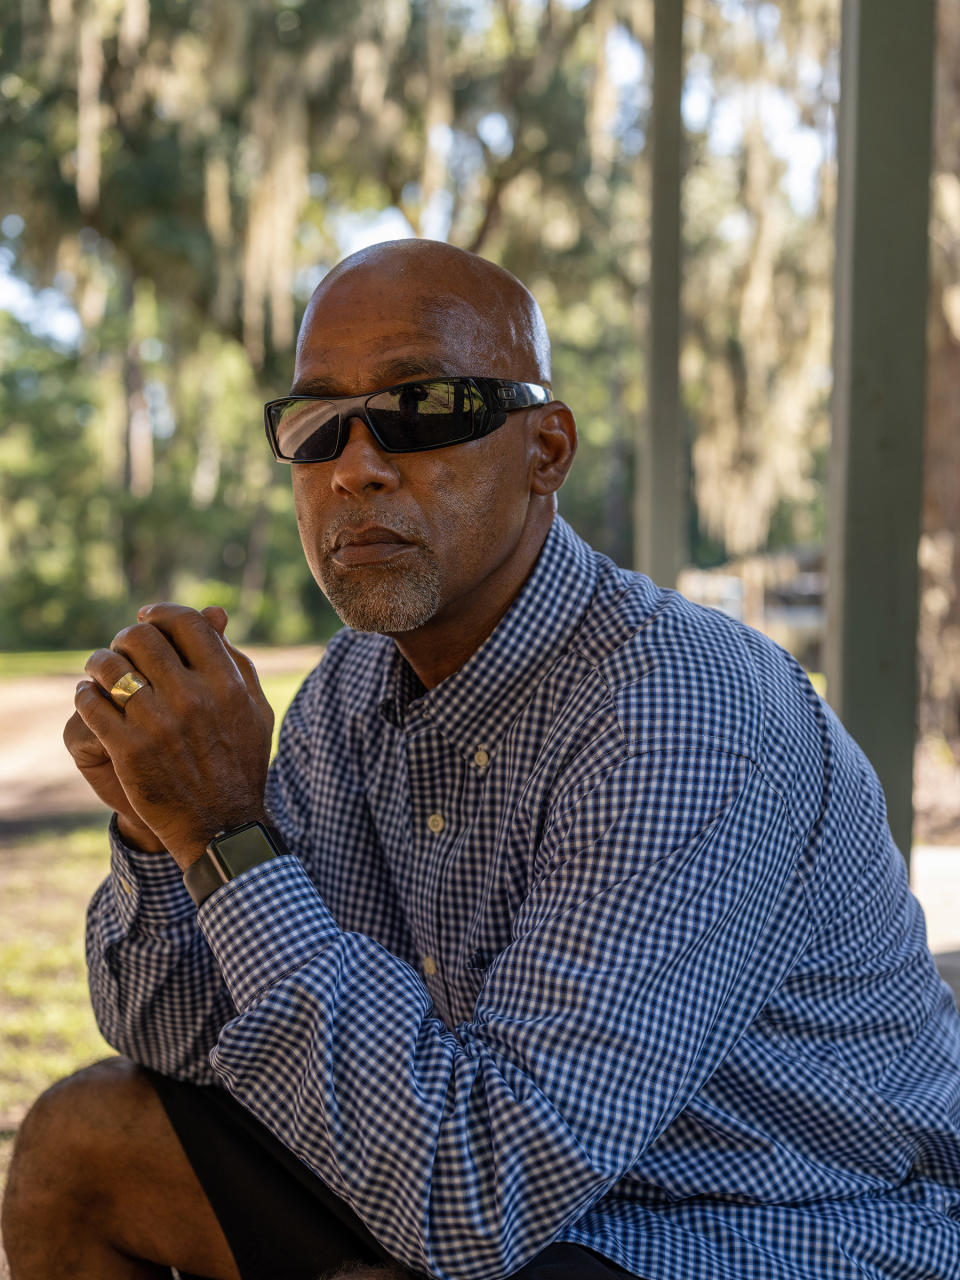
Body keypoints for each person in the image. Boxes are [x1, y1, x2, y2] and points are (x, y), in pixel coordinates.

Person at [3, 238, 960, 1280]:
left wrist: (232, 834)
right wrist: (165, 825)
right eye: (318, 425)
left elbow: (476, 1194)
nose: (357, 466)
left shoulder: (679, 710)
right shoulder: (349, 693)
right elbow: (182, 1039)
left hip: (772, 1224)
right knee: (82, 1148)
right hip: (497, 1191)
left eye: (426, 408)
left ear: (546, 450)